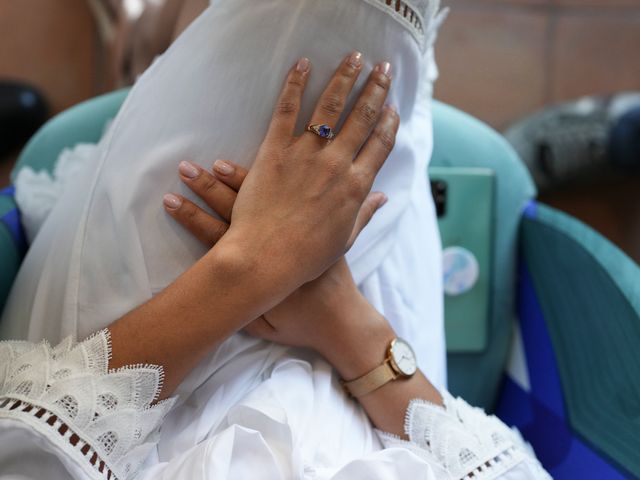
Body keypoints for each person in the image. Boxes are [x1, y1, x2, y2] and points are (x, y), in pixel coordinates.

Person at [0, 61, 549, 479]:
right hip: (361, 354)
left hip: (154, 355)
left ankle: (145, 43)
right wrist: (347, 323)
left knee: (229, 57)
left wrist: (255, 266)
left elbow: (20, 443)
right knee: (393, 85)